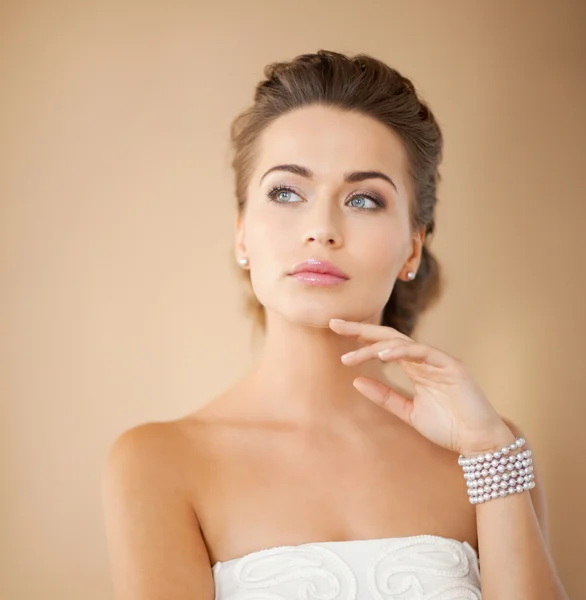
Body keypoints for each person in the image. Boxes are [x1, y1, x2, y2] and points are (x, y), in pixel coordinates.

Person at [102, 49, 568, 599]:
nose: (321, 228)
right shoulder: (158, 461)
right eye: (286, 192)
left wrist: (490, 451)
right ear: (242, 234)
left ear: (411, 249)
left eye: (364, 200)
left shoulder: (492, 450)